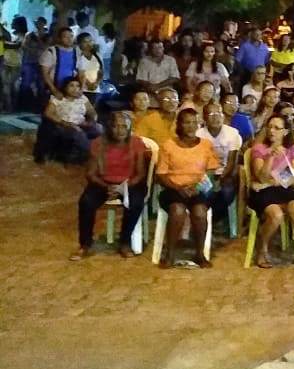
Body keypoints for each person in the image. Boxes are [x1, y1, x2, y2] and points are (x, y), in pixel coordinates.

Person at [248, 115, 294, 272]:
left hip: (283, 189)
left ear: (285, 131)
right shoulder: (259, 149)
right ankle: (262, 248)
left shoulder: (291, 149)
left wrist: (278, 181)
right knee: (276, 215)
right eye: (270, 127)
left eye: (277, 128)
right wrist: (270, 157)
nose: (272, 131)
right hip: (264, 192)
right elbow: (261, 176)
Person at [73, 110, 148, 260]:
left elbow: (140, 173)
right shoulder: (98, 143)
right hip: (103, 183)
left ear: (129, 128)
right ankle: (85, 244)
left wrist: (124, 187)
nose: (120, 130)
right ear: (109, 127)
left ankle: (124, 241)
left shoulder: (137, 143)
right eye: (116, 126)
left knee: (136, 202)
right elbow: (91, 174)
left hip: (129, 183)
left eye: (124, 127)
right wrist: (107, 187)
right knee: (86, 202)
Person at [155, 108, 222, 268]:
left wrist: (197, 187)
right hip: (173, 189)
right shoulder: (168, 145)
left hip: (199, 188)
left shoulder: (206, 145)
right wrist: (179, 188)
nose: (191, 126)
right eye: (187, 122)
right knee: (177, 210)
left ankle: (199, 254)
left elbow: (212, 172)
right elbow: (161, 175)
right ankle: (170, 254)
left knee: (199, 212)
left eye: (194, 122)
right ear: (179, 124)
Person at [197, 100, 243, 233]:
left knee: (226, 192)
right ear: (204, 117)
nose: (216, 116)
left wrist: (221, 178)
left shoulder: (232, 133)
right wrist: (208, 178)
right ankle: (202, 221)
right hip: (203, 174)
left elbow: (231, 161)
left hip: (225, 173)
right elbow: (197, 161)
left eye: (219, 113)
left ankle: (213, 219)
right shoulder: (198, 134)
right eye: (211, 113)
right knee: (204, 192)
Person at [34, 77, 100, 164]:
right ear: (65, 87)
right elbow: (48, 113)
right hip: (64, 126)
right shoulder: (58, 98)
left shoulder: (83, 98)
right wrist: (65, 123)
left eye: (77, 86)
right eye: (71, 86)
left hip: (82, 124)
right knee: (79, 134)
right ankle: (92, 156)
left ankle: (101, 153)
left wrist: (92, 121)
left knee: (99, 128)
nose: (75, 89)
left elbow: (92, 112)